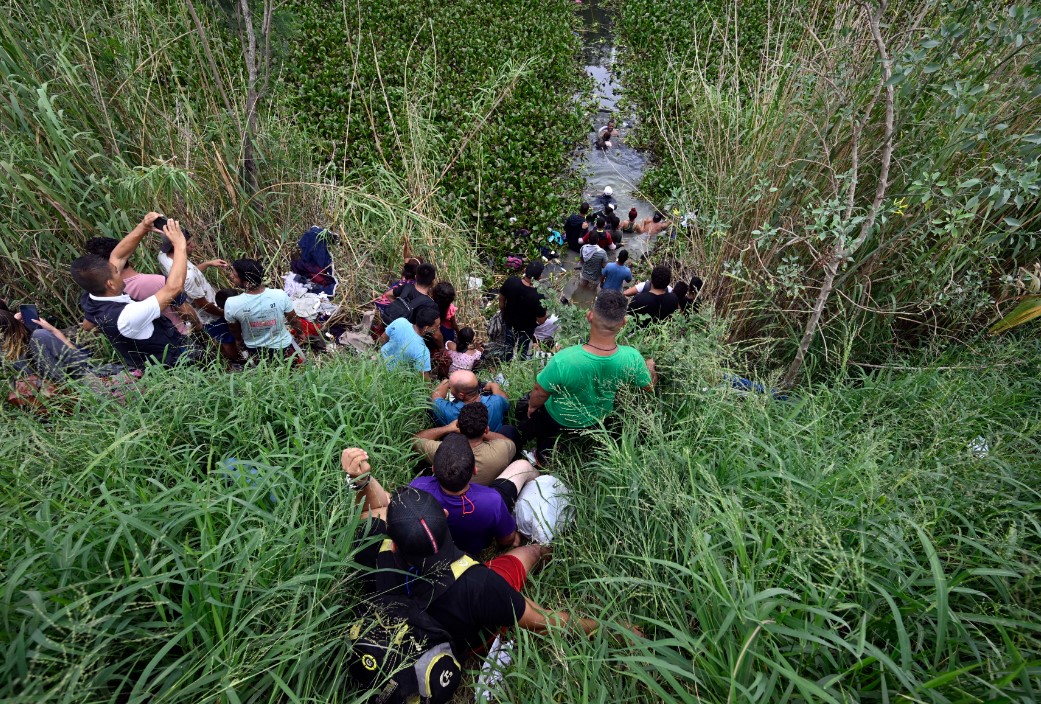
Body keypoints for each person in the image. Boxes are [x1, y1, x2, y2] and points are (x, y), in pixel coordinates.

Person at [344, 451, 626, 659]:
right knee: (527, 552)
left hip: (411, 617)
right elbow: (545, 620)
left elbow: (375, 509)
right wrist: (612, 630)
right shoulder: (479, 583)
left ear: (391, 535)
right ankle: (542, 551)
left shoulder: (373, 549)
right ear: (444, 515)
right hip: (462, 641)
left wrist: (361, 480)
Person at [526, 290, 656, 463]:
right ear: (623, 323)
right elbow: (649, 386)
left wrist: (532, 407)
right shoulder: (631, 358)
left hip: (559, 417)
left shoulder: (564, 359)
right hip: (597, 420)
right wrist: (650, 367)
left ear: (589, 316)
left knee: (543, 425)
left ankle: (541, 457)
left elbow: (539, 392)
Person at [71, 213, 191, 369]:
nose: (120, 271)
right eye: (116, 272)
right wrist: (180, 245)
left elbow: (118, 256)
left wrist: (143, 227)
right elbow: (173, 288)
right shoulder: (126, 317)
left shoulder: (92, 296)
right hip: (172, 367)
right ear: (110, 284)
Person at [409, 434, 538, 556]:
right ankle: (542, 482)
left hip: (441, 548)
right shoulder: (492, 500)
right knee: (522, 465)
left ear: (433, 469)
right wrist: (515, 536)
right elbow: (506, 540)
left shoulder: (417, 487)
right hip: (476, 547)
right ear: (475, 470)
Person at [84, 237, 195, 335]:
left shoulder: (103, 294)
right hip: (179, 338)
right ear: (126, 253)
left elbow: (88, 326)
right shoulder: (158, 281)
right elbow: (186, 312)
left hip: (146, 350)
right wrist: (198, 327)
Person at [157, 227, 238, 362]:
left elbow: (189, 275)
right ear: (177, 246)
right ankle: (237, 363)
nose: (193, 245)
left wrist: (208, 263)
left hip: (197, 310)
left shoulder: (163, 257)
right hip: (208, 316)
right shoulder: (189, 276)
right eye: (188, 244)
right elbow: (203, 305)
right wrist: (224, 313)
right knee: (226, 339)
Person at [0, 301, 116, 381]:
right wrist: (54, 331)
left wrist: (12, 325)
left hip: (47, 400)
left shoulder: (5, 356)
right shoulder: (40, 336)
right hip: (80, 386)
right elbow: (80, 361)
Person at [414, 402, 522, 485]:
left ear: (458, 426)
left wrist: (447, 428)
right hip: (488, 489)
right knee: (508, 430)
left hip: (453, 487)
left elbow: (415, 439)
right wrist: (482, 432)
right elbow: (509, 442)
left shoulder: (442, 451)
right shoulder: (502, 449)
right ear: (486, 429)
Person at [223, 259, 303, 364]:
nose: (231, 276)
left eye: (235, 275)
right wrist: (300, 333)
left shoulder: (232, 303)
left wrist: (238, 340)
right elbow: (294, 320)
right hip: (283, 346)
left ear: (247, 283)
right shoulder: (279, 295)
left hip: (255, 350)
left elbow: (234, 328)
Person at [431, 370, 510, 432]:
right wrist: (493, 385)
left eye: (450, 387)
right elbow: (504, 397)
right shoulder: (496, 402)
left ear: (461, 395)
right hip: (493, 445)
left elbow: (436, 396)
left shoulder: (448, 410)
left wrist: (446, 381)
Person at [498, 261, 546, 361]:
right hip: (526, 329)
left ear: (525, 270)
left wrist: (503, 312)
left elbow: (501, 300)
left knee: (508, 345)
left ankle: (506, 362)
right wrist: (547, 313)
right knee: (522, 349)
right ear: (540, 277)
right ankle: (520, 366)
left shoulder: (511, 281)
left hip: (509, 322)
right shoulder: (539, 296)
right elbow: (541, 320)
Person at [380, 306, 441, 378]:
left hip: (379, 359)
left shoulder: (400, 321)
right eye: (436, 326)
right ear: (426, 328)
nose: (439, 327)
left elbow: (382, 338)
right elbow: (424, 379)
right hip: (393, 375)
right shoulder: (422, 351)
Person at [381, 262, 438, 327]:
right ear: (433, 282)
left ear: (415, 277)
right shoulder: (430, 304)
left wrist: (398, 306)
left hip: (391, 326)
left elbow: (388, 294)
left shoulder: (406, 287)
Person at [578, 231, 608, 297]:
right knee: (591, 293)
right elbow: (605, 266)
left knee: (581, 289)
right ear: (598, 240)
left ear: (588, 240)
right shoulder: (602, 253)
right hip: (594, 278)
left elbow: (581, 261)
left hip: (583, 274)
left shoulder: (583, 248)